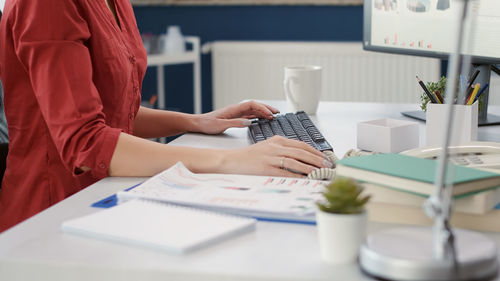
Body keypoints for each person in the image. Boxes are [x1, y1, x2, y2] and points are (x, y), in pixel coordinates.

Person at [0, 0, 331, 232]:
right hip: (50, 212)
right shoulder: (44, 5)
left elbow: (112, 114)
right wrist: (233, 161)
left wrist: (196, 121)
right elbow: (85, 141)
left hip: (105, 195)